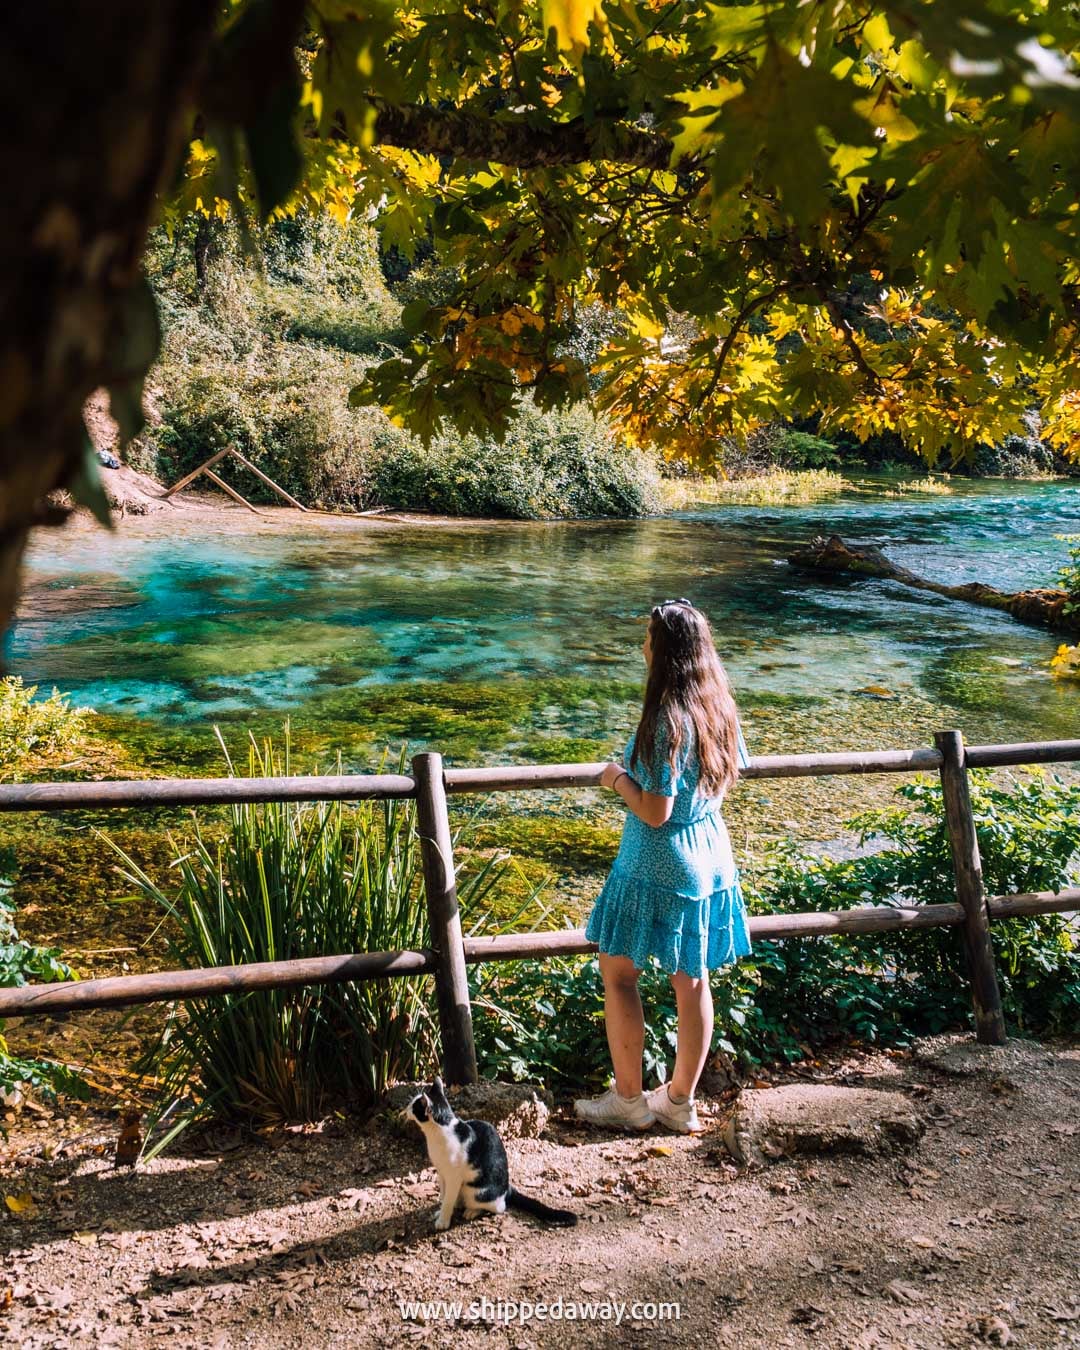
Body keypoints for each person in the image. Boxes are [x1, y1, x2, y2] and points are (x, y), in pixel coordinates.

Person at [574, 598, 751, 1134]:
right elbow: (730, 774)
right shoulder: (717, 708)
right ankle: (678, 1102)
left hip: (655, 863)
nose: (642, 645)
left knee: (619, 973)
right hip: (709, 857)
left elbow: (655, 810)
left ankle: (629, 1101)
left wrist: (614, 778)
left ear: (666, 651)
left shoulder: (664, 722)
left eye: (649, 638)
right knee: (692, 983)